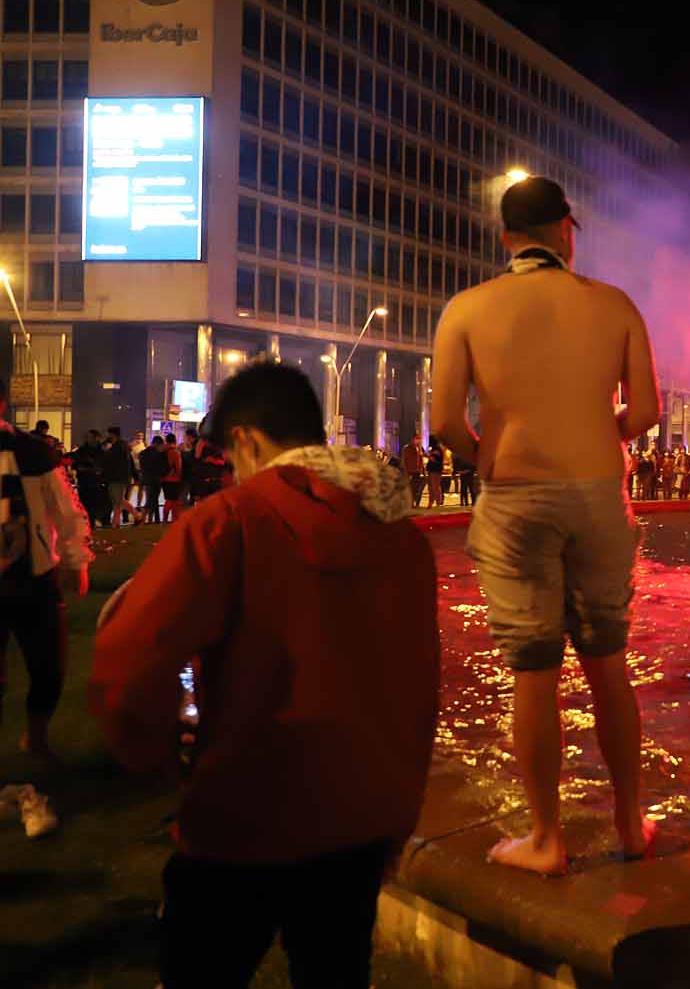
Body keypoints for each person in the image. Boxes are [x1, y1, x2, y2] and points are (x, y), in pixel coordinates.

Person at [89, 363, 438, 989]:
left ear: (246, 441)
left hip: (242, 817)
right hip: (357, 821)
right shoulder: (403, 540)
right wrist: (397, 811)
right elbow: (419, 692)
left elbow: (129, 656)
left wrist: (154, 752)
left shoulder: (229, 523)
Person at [431, 175, 661, 874]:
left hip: (516, 493)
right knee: (607, 661)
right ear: (567, 230)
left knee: (534, 668)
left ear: (505, 238)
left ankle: (545, 836)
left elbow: (444, 423)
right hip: (597, 493)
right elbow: (646, 412)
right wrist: (597, 431)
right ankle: (628, 823)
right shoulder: (614, 305)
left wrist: (488, 456)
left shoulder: (467, 309)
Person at [1, 380, 91, 764]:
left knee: (49, 668)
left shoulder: (34, 452)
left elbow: (66, 509)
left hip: (35, 577)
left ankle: (36, 738)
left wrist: (76, 559)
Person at [101, 426, 137, 527]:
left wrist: (106, 451)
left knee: (118, 501)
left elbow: (114, 461)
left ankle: (134, 517)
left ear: (112, 434)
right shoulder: (121, 445)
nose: (106, 435)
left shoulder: (118, 446)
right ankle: (117, 522)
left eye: (108, 433)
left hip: (117, 477)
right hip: (119, 477)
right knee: (118, 501)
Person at [138, 435, 168, 523]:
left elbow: (142, 467)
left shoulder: (142, 453)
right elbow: (163, 467)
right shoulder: (159, 454)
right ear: (157, 444)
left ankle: (151, 519)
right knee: (152, 500)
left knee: (151, 499)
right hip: (156, 479)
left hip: (146, 479)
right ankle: (143, 519)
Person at [162, 432, 185, 521]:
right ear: (175, 441)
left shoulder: (163, 451)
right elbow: (178, 468)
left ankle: (166, 519)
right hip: (174, 480)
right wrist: (180, 477)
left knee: (169, 500)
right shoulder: (175, 452)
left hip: (165, 479)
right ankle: (170, 520)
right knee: (173, 501)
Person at [401, 434, 426, 507]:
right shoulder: (407, 448)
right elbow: (404, 460)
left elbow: (421, 460)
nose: (418, 440)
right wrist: (405, 471)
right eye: (416, 439)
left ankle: (415, 502)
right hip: (410, 471)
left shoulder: (420, 448)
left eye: (419, 439)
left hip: (417, 471)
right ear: (413, 439)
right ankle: (410, 503)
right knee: (410, 488)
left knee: (416, 488)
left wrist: (423, 471)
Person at [425, 436, 445, 507]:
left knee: (435, 487)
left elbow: (433, 459)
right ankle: (431, 502)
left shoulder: (438, 449)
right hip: (431, 470)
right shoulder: (435, 448)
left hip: (435, 470)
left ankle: (438, 502)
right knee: (430, 487)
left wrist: (428, 455)